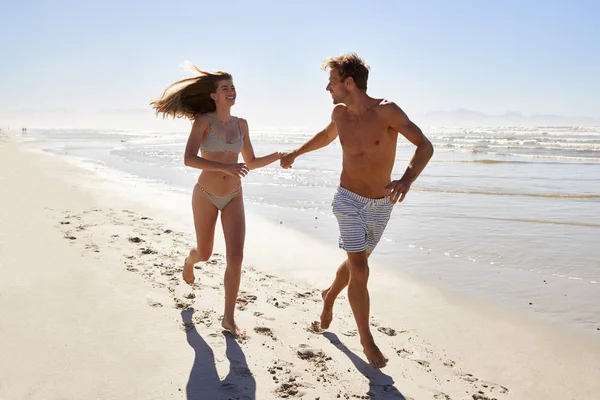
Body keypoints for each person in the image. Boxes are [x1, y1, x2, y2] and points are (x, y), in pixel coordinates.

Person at [280, 53, 434, 368]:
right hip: (347, 200)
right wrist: (296, 152)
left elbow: (424, 145)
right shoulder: (340, 115)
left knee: (355, 264)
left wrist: (406, 179)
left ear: (349, 83)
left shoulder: (387, 111)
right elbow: (325, 137)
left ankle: (329, 295)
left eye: (332, 82)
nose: (328, 88)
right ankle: (366, 339)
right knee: (361, 270)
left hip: (381, 205)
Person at [151, 63, 282, 337]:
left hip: (234, 195)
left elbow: (252, 162)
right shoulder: (204, 123)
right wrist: (224, 167)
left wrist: (281, 155)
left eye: (233, 88)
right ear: (214, 95)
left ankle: (229, 318)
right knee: (205, 253)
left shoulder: (241, 124)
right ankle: (190, 261)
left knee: (236, 258)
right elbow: (189, 159)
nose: (231, 92)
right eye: (225, 89)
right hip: (205, 195)